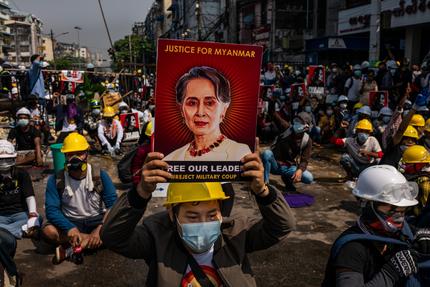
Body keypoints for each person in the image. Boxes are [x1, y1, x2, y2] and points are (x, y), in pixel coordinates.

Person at [101, 146, 296, 287]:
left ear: (221, 212)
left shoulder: (237, 233)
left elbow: (283, 225)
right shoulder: (155, 237)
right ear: (172, 214)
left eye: (212, 214)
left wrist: (263, 191)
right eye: (192, 217)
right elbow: (113, 236)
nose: (203, 223)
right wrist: (140, 193)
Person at [322, 165, 430, 286]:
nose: (399, 217)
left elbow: (411, 230)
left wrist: (422, 234)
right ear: (368, 205)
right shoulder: (353, 249)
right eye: (392, 209)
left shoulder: (400, 231)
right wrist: (390, 273)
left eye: (403, 210)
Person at [41, 133, 117, 264]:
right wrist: (69, 227)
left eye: (79, 153)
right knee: (48, 231)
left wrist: (100, 229)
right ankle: (90, 241)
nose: (75, 158)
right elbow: (52, 210)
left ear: (86, 154)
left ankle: (71, 249)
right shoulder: (56, 179)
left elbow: (113, 205)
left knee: (120, 227)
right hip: (71, 222)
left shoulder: (100, 176)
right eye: (70, 154)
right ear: (64, 156)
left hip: (96, 220)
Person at [164, 66, 251, 161]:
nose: (200, 113)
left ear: (224, 109)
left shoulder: (241, 154)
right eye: (192, 103)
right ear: (181, 109)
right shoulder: (170, 160)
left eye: (209, 103)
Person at [0, 140, 40, 286]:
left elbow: (30, 196)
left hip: (19, 215)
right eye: (1, 160)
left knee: (35, 224)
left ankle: (8, 233)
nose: (4, 163)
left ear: (14, 158)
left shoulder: (21, 174)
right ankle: (14, 233)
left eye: (7, 159)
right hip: (1, 217)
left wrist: (33, 214)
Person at [261, 112, 314, 192]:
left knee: (309, 177)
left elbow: (304, 160)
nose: (296, 123)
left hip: (288, 166)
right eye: (296, 120)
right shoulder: (286, 128)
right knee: (267, 153)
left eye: (300, 122)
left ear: (306, 126)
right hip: (274, 164)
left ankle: (287, 179)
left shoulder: (307, 140)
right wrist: (272, 101)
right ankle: (266, 183)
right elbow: (274, 115)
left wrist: (300, 170)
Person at [400, 145, 430, 227]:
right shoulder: (418, 176)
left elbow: (425, 207)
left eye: (408, 164)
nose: (405, 166)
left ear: (419, 165)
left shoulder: (424, 181)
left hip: (418, 219)